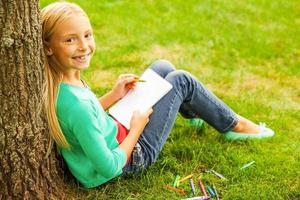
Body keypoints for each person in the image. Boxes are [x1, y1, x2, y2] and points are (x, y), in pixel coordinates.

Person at [41, 2, 274, 188]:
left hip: (115, 131)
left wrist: (114, 95)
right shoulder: (74, 105)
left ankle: (194, 111)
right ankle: (235, 126)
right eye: (70, 40)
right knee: (180, 80)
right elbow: (109, 167)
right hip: (131, 157)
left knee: (162, 67)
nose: (84, 46)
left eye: (87, 35)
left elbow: (87, 118)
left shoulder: (66, 82)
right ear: (48, 46)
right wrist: (136, 129)